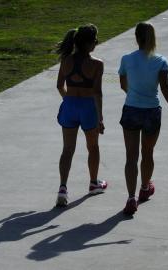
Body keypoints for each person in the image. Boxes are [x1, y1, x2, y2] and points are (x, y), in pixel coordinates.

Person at [118, 22, 168, 215]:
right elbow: (165, 88)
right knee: (147, 152)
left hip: (131, 109)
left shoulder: (126, 59)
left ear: (136, 37)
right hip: (151, 112)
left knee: (131, 156)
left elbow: (123, 84)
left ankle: (131, 198)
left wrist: (133, 95)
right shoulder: (161, 61)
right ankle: (145, 188)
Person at [55, 24, 107, 207]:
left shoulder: (65, 60)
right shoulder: (97, 64)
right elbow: (97, 93)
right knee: (93, 147)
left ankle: (62, 188)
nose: (97, 43)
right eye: (95, 40)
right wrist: (100, 118)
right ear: (89, 43)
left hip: (69, 105)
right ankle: (94, 183)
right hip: (88, 108)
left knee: (67, 149)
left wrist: (67, 100)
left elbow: (60, 85)